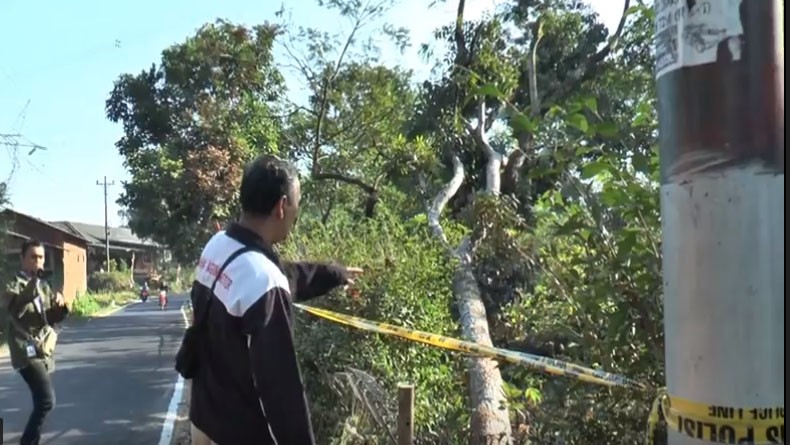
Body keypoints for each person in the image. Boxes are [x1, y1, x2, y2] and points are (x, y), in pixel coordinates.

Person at [189, 155, 362, 445]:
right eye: (297, 203)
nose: (297, 213)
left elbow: (284, 274)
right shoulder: (263, 282)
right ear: (282, 206)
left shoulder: (219, 245)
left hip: (205, 418)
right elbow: (282, 391)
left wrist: (334, 273)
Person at [0, 239, 69, 445]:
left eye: (41, 258)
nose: (38, 262)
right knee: (47, 401)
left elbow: (49, 318)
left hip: (42, 348)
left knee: (41, 402)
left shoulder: (44, 286)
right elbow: (13, 307)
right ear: (22, 259)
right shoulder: (14, 283)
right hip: (24, 349)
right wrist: (33, 286)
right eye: (33, 257)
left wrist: (60, 306)